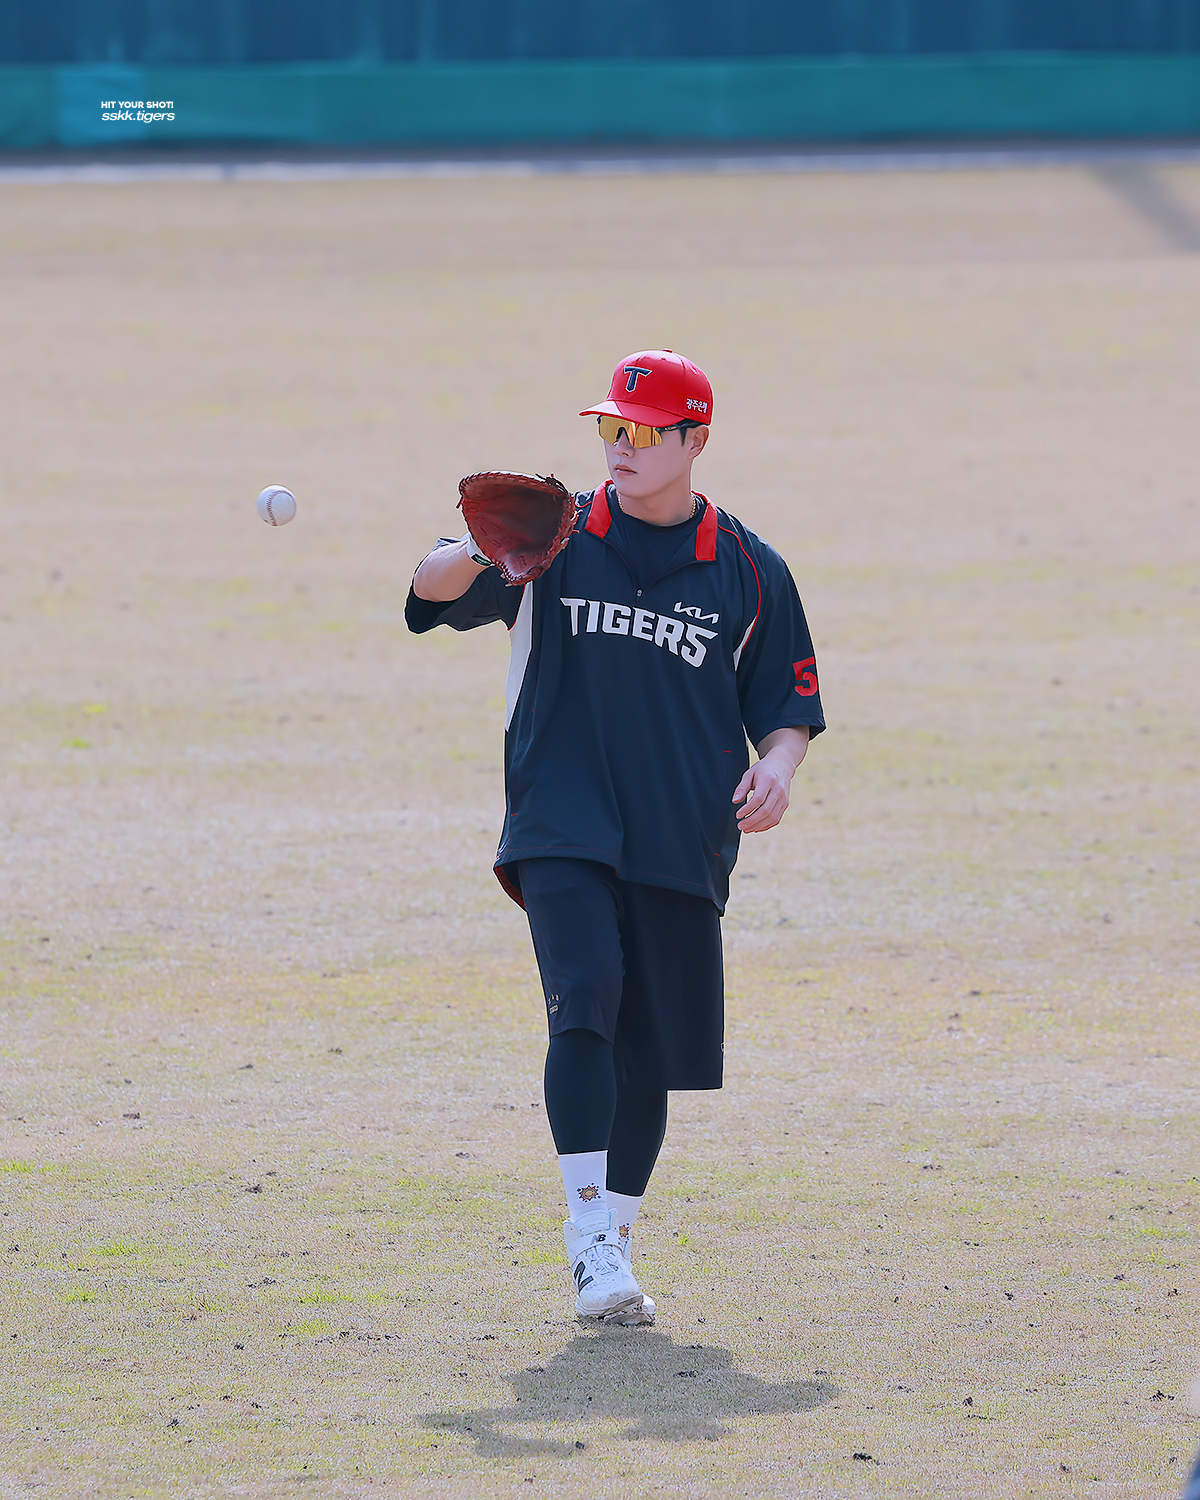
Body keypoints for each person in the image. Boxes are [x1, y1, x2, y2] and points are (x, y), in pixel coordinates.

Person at [405, 349, 824, 1325]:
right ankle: (587, 1230)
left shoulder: (750, 569)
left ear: (695, 439)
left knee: (649, 1049)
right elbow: (427, 594)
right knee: (585, 999)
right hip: (562, 817)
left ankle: (615, 1243)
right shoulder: (557, 534)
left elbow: (788, 704)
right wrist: (484, 550)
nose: (620, 446)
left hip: (683, 829)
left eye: (641, 431)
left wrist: (779, 768)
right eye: (609, 428)